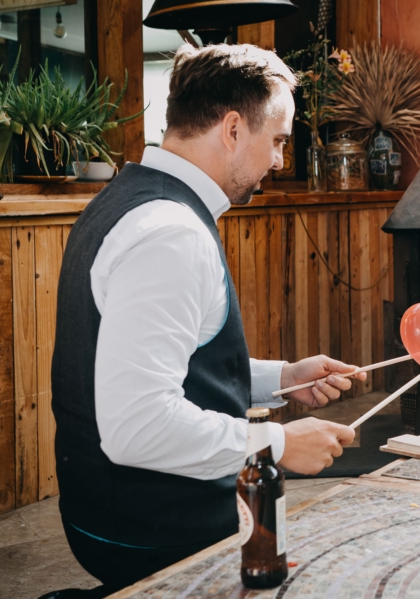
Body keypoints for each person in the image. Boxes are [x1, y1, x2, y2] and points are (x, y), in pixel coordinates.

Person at [50, 44, 361, 595]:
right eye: (279, 141)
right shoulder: (171, 233)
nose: (279, 163)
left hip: (101, 511)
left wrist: (283, 377)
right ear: (234, 129)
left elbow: (175, 360)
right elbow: (137, 428)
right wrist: (279, 443)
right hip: (151, 525)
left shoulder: (128, 199)